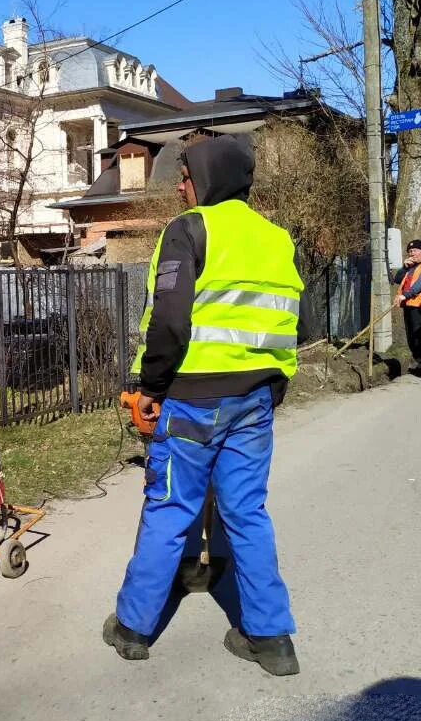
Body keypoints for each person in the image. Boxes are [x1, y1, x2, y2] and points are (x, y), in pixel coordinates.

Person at [103, 134, 303, 676]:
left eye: (187, 176)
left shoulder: (189, 230)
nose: (183, 186)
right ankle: (272, 640)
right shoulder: (277, 239)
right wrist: (272, 387)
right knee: (248, 514)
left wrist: (151, 387)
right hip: (255, 399)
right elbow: (289, 323)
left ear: (208, 179)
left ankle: (132, 628)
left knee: (169, 510)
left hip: (192, 400)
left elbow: (170, 321)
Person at [392, 239, 421, 373]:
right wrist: (404, 268)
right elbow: (397, 279)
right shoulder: (411, 267)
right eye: (409, 251)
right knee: (412, 337)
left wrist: (405, 295)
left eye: (414, 251)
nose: (411, 254)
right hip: (411, 305)